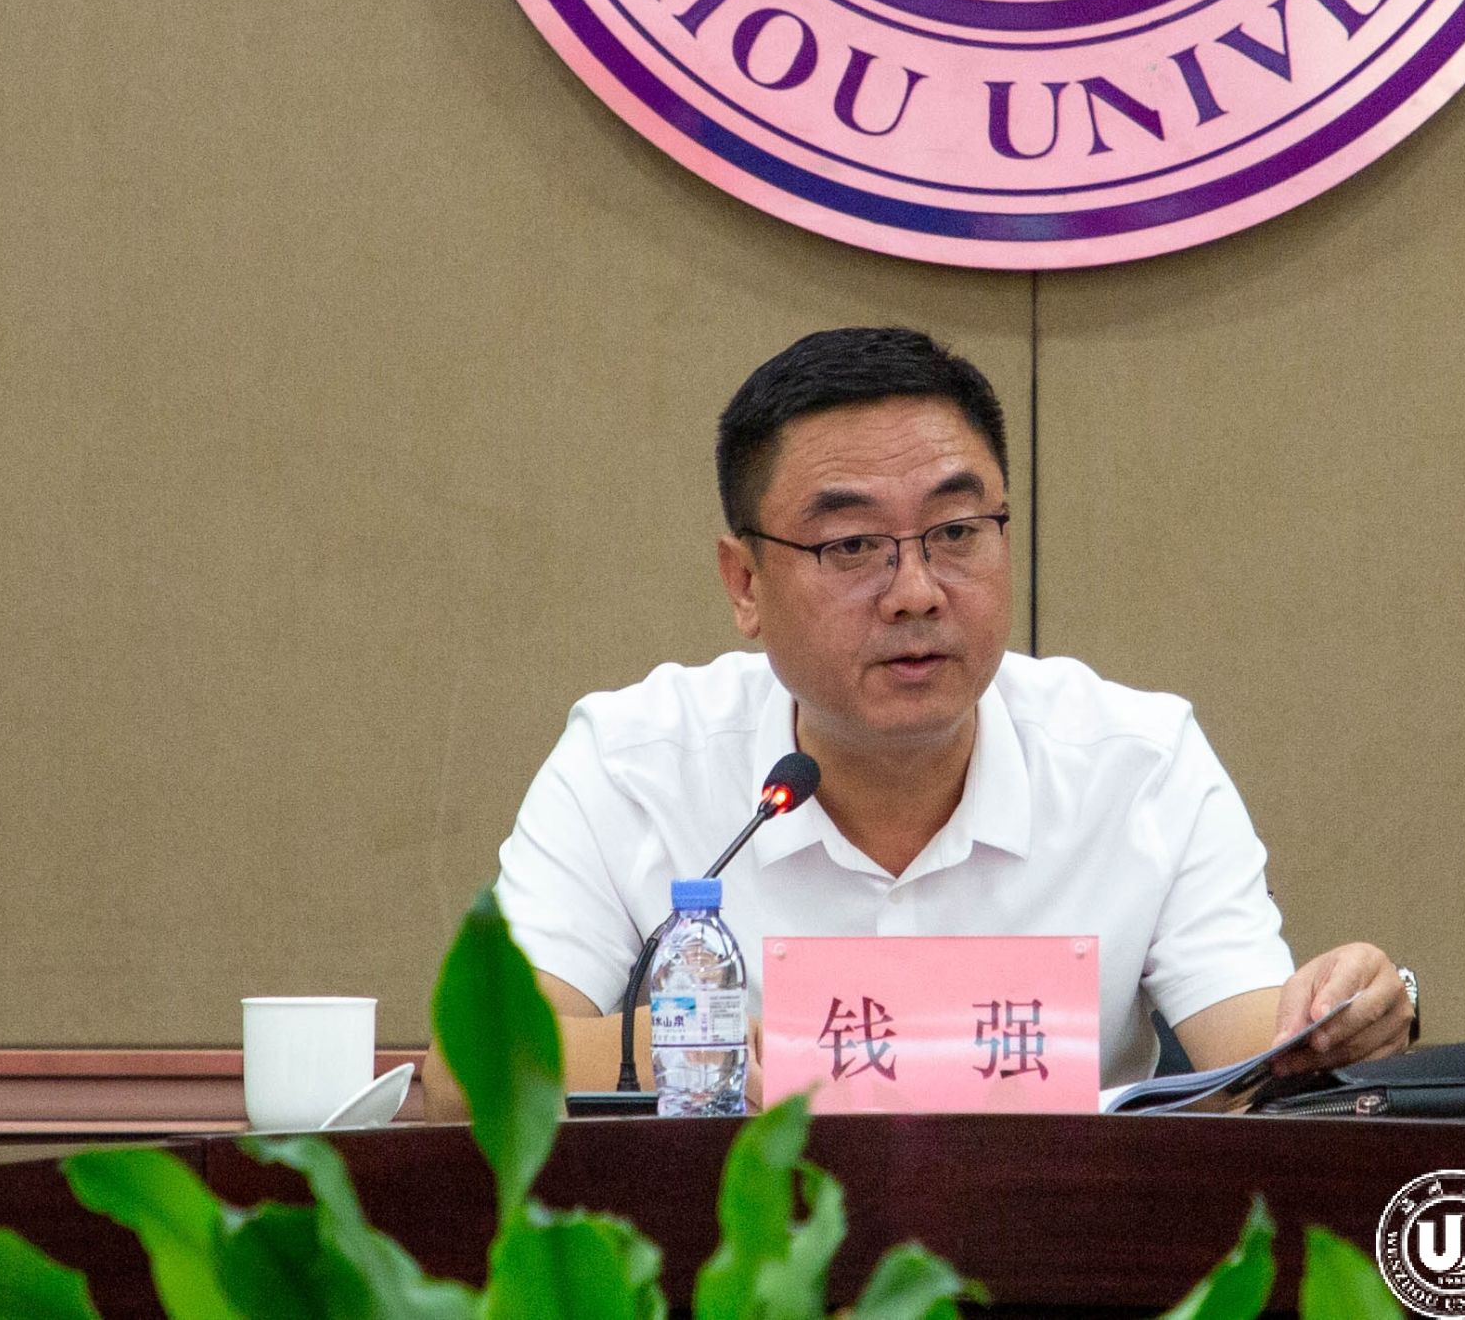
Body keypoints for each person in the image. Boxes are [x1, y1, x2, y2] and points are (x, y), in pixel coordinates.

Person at [424, 328, 1414, 1118]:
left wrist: (1342, 1013)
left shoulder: (1138, 761)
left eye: (955, 532)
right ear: (744, 582)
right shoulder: (634, 760)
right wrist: (708, 1043)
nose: (915, 592)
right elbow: (467, 1071)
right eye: (852, 544)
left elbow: (1255, 1062)